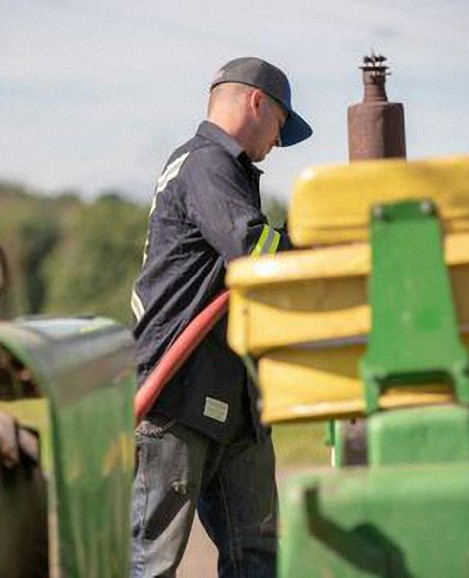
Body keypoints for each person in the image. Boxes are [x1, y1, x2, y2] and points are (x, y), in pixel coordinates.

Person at [129, 57, 312, 577]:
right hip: (178, 397)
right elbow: (255, 253)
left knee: (257, 558)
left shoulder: (220, 169)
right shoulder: (207, 163)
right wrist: (313, 239)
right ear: (257, 102)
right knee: (152, 562)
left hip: (232, 401)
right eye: (281, 125)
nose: (277, 142)